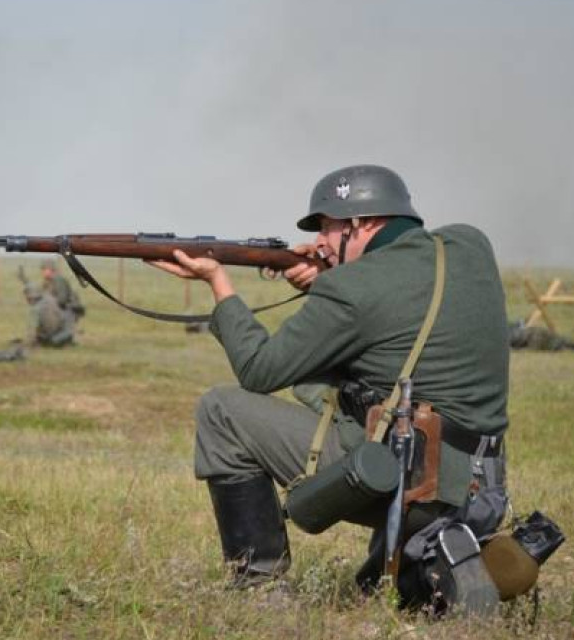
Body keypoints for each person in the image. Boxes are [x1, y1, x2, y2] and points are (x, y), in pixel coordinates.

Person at [151, 164, 509, 613]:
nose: (318, 241)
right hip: (483, 492)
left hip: (413, 490)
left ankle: (259, 586)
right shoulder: (470, 245)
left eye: (326, 226)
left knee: (222, 410)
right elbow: (395, 310)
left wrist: (218, 282)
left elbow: (260, 371)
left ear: (361, 224)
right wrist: (330, 280)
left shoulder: (351, 289)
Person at [23, 282, 75, 348]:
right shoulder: (52, 299)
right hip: (65, 334)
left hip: (50, 338)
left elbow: (32, 330)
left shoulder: (36, 309)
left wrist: (29, 343)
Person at [41, 258, 84, 330]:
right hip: (60, 310)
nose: (42, 272)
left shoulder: (58, 280)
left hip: (68, 310)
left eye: (44, 269)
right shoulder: (48, 282)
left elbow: (62, 300)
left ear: (50, 269)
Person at [508, 320, 574, 351]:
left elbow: (532, 349)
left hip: (554, 342)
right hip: (552, 342)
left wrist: (516, 349)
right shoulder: (528, 334)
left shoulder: (534, 336)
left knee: (564, 343)